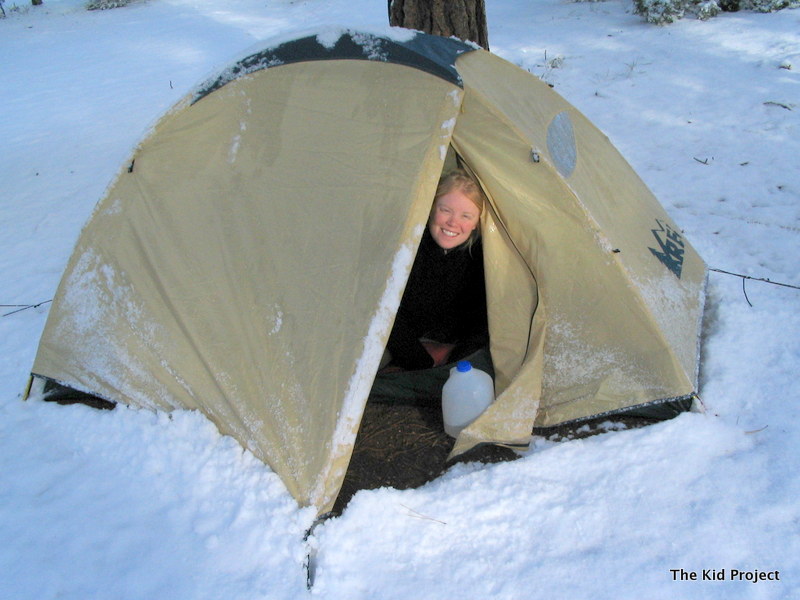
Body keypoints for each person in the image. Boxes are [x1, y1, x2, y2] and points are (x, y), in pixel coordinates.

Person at [371, 168, 491, 402]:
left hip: (448, 343)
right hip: (399, 338)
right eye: (445, 210)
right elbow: (382, 310)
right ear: (431, 209)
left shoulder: (482, 259)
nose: (453, 222)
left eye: (466, 216)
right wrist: (419, 359)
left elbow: (484, 319)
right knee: (367, 363)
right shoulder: (407, 247)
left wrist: (454, 354)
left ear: (477, 223)